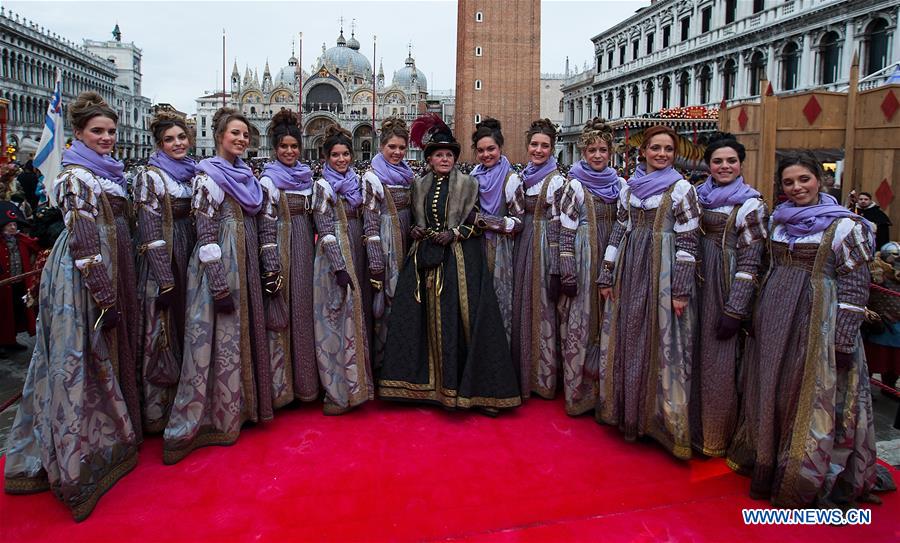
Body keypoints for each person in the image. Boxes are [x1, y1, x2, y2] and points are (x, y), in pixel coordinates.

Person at [3, 92, 138, 521]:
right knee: (79, 351)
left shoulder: (107, 172)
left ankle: (114, 432)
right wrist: (102, 291)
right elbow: (82, 241)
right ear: (78, 132)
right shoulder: (76, 176)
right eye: (97, 131)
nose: (107, 138)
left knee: (105, 349)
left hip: (111, 265)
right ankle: (78, 453)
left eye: (111, 131)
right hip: (82, 275)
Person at [727, 151, 884, 507]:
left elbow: (855, 289)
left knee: (812, 396)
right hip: (774, 319)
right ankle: (770, 461)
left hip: (818, 325)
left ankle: (804, 473)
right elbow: (764, 267)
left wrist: (843, 341)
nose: (797, 188)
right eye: (789, 182)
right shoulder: (777, 222)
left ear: (820, 180)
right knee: (776, 391)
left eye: (804, 180)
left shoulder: (846, 227)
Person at [164, 107, 291, 464]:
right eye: (235, 133)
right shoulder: (207, 178)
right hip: (223, 265)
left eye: (246, 134)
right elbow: (205, 234)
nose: (241, 139)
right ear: (219, 136)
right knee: (221, 337)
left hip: (247, 261)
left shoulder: (248, 176)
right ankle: (218, 415)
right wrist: (218, 285)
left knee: (246, 332)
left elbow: (263, 224)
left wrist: (269, 266)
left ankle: (247, 404)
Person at [379, 114, 521, 413]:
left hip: (459, 260)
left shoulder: (469, 184)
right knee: (419, 320)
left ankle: (468, 390)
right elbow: (415, 219)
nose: (444, 159)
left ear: (455, 158)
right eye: (438, 155)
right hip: (423, 259)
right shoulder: (418, 185)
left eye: (448, 155)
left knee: (460, 320)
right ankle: (421, 387)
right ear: (429, 159)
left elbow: (477, 222)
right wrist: (416, 231)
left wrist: (455, 233)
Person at [596, 125, 701, 459]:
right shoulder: (629, 188)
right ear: (643, 152)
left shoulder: (682, 189)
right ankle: (628, 413)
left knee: (661, 341)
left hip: (663, 272)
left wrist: (681, 290)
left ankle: (659, 421)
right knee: (630, 337)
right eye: (656, 148)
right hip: (630, 269)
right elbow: (619, 229)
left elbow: (688, 243)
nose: (661, 154)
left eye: (668, 149)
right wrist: (607, 273)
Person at [689, 133, 767, 457]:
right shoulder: (697, 195)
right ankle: (687, 429)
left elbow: (751, 261)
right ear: (708, 165)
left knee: (718, 361)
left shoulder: (750, 204)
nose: (724, 166)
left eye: (731, 161)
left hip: (724, 283)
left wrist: (735, 308)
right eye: (718, 161)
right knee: (690, 355)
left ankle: (714, 436)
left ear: (741, 164)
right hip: (695, 281)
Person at [133, 112, 197, 433]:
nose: (177, 144)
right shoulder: (151, 177)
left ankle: (188, 399)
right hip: (166, 259)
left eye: (181, 137)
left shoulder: (192, 173)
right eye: (169, 139)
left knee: (187, 322)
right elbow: (149, 230)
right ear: (159, 144)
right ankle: (159, 407)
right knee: (163, 326)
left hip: (189, 253)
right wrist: (164, 278)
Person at [556, 118, 623, 416]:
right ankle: (579, 392)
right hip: (583, 259)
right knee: (582, 323)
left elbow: (624, 224)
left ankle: (606, 394)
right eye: (592, 150)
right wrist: (568, 271)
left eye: (603, 150)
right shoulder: (575, 185)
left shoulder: (620, 185)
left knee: (610, 322)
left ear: (610, 152)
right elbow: (565, 232)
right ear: (583, 153)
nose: (597, 155)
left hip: (614, 260)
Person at [311, 125, 372, 415]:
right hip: (334, 261)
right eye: (335, 155)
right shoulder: (323, 186)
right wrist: (339, 267)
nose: (341, 159)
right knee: (336, 320)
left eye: (346, 153)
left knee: (356, 316)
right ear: (325, 157)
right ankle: (338, 390)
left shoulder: (356, 183)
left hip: (355, 252)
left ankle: (360, 384)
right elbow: (324, 230)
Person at [259, 109, 318, 403]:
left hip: (305, 249)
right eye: (283, 146)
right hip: (281, 249)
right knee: (281, 311)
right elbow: (265, 225)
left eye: (294, 146)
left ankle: (305, 384)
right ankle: (280, 388)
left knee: (304, 309)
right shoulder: (269, 181)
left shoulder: (307, 178)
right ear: (274, 148)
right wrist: (271, 266)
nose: (289, 151)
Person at [511, 118, 566, 399]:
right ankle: (525, 371)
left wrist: (556, 264)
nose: (538, 150)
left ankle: (544, 376)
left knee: (544, 306)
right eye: (534, 144)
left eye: (545, 146)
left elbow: (559, 224)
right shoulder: (523, 177)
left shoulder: (556, 181)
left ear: (552, 149)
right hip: (524, 243)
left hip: (545, 245)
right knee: (524, 303)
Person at [362, 117, 415, 370]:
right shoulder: (372, 177)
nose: (397, 152)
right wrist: (376, 261)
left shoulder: (408, 175)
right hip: (387, 245)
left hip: (406, 241)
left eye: (402, 147)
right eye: (391, 147)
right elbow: (370, 222)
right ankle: (384, 365)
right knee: (387, 301)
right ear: (381, 146)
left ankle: (404, 361)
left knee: (406, 299)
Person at [469, 118, 524, 345]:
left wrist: (485, 221)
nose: (486, 155)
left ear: (500, 148)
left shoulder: (512, 179)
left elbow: (518, 222)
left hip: (501, 249)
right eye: (481, 150)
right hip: (475, 247)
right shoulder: (473, 177)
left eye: (491, 149)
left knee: (500, 303)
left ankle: (499, 355)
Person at [0, 201, 39, 356]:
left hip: (18, 283)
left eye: (14, 224)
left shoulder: (21, 239)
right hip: (3, 286)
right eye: (9, 225)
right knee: (3, 314)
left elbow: (36, 245)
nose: (13, 227)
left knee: (15, 313)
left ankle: (11, 341)